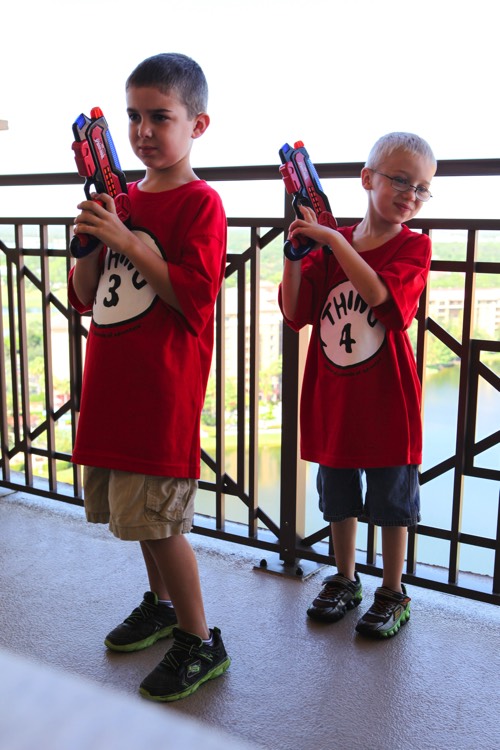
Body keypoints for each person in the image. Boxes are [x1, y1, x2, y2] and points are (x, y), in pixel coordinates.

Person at [68, 52, 230, 700]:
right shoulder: (121, 201)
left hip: (161, 398)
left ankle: (200, 639)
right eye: (134, 115)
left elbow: (192, 296)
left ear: (198, 124)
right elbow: (84, 293)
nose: (142, 130)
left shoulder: (201, 204)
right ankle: (162, 608)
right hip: (113, 393)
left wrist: (130, 238)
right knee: (137, 520)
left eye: (159, 116)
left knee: (162, 525)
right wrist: (90, 241)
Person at [279, 132, 437, 638]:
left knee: (393, 499)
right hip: (335, 398)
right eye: (399, 180)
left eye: (421, 188)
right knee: (339, 494)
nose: (410, 194)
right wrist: (295, 252)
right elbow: (296, 311)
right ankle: (345, 578)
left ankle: (392, 589)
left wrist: (334, 242)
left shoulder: (414, 246)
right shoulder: (331, 241)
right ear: (367, 179)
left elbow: (389, 307)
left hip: (388, 401)